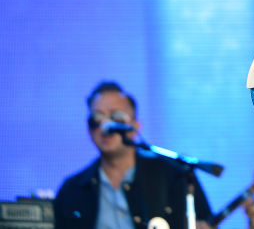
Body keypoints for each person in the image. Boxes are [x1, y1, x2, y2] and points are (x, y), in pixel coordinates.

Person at [54, 81, 215, 229]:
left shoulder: (174, 174)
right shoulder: (72, 190)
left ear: (135, 126)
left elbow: (207, 223)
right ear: (89, 130)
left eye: (116, 116)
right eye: (97, 118)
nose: (105, 126)